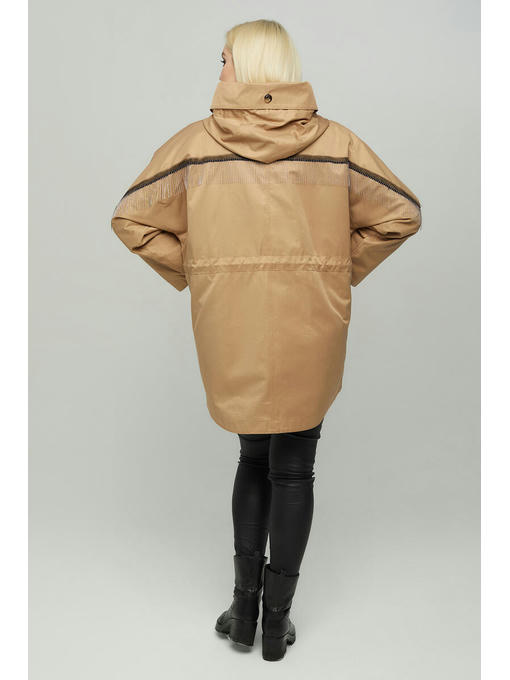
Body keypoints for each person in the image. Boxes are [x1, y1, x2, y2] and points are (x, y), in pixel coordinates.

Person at [111, 19, 422, 662]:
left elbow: (132, 218)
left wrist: (199, 271)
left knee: (253, 459)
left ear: (247, 65)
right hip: (313, 322)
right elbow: (401, 214)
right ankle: (276, 624)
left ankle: (244, 613)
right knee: (295, 466)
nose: (220, 68)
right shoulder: (336, 145)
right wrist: (336, 268)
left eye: (224, 58)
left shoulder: (195, 146)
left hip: (232, 324)